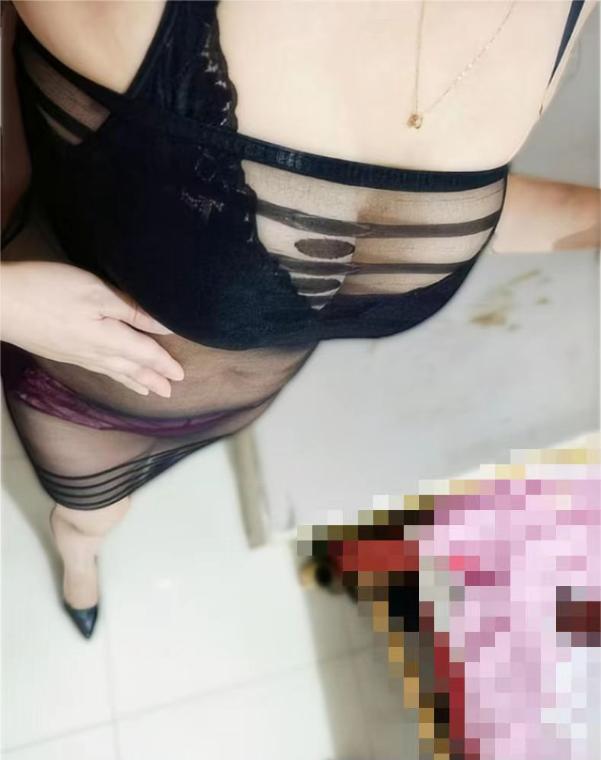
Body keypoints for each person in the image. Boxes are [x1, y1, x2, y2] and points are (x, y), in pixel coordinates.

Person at [1, 0, 599, 639]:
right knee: (92, 517)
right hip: (83, 399)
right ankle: (78, 558)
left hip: (235, 405)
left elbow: (401, 211)